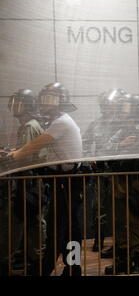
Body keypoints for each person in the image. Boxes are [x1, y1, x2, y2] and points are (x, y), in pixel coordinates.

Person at [8, 82, 83, 276]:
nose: (44, 103)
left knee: (61, 227)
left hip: (66, 181)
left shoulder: (61, 122)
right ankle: (71, 267)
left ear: (61, 102)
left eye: (50, 99)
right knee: (67, 227)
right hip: (64, 181)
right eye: (43, 99)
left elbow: (35, 145)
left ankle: (51, 266)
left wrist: (14, 155)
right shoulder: (58, 121)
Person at [103, 93, 139, 275]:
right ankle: (123, 261)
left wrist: (119, 148)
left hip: (135, 187)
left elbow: (137, 156)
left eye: (126, 111)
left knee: (136, 226)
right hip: (118, 186)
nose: (123, 115)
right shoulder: (119, 134)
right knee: (118, 225)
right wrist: (120, 146)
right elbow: (105, 151)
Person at [0, 89, 47, 275]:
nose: (13, 106)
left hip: (28, 181)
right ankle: (34, 260)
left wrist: (7, 157)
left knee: (26, 221)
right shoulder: (30, 124)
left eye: (18, 103)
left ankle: (34, 261)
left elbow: (25, 157)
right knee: (30, 221)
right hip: (30, 181)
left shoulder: (29, 125)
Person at [83, 88, 127, 254]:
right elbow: (85, 143)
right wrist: (89, 157)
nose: (105, 107)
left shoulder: (122, 124)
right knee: (99, 208)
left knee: (118, 208)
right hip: (101, 171)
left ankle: (118, 243)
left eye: (108, 104)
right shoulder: (96, 123)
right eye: (103, 104)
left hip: (118, 171)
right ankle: (98, 239)